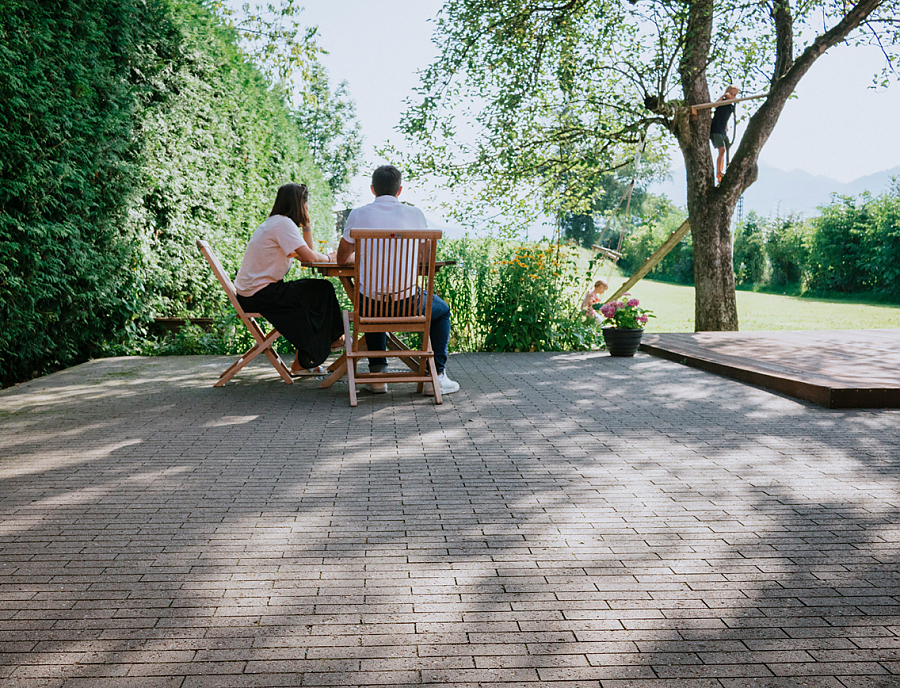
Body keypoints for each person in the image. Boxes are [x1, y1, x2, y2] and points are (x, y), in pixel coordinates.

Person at [336, 165, 459, 396]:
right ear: (399, 190)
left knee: (369, 299)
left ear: (372, 189)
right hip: (408, 304)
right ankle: (438, 376)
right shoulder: (415, 214)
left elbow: (342, 258)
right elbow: (424, 258)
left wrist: (367, 258)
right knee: (441, 310)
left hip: (370, 307)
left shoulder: (358, 214)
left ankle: (378, 376)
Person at [234, 182, 344, 376]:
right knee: (321, 290)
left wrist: (307, 224)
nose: (307, 208)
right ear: (299, 204)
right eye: (306, 204)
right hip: (260, 294)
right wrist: (329, 258)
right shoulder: (282, 224)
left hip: (255, 293)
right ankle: (334, 340)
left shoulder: (277, 223)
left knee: (315, 291)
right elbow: (309, 258)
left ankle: (307, 359)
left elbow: (307, 254)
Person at [710, 85, 740, 184]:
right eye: (731, 93)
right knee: (722, 150)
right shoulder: (722, 102)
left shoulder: (730, 107)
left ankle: (720, 173)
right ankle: (718, 172)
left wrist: (726, 125)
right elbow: (715, 106)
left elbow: (725, 116)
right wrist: (723, 96)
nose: (732, 96)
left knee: (722, 152)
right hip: (716, 128)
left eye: (734, 95)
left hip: (722, 129)